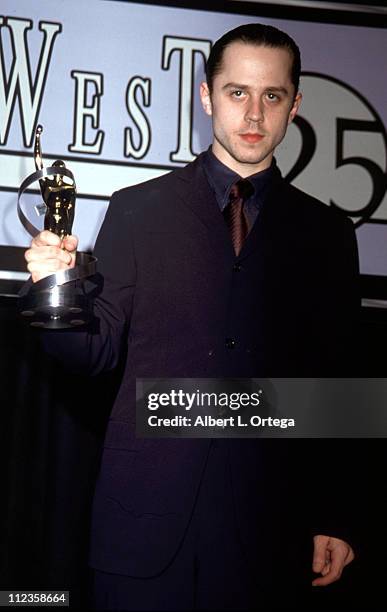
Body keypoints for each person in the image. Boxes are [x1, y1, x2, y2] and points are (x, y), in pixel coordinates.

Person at [24, 23, 359, 611]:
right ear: (206, 96)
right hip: (142, 528)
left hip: (268, 533)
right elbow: (92, 352)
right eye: (236, 93)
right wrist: (56, 289)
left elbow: (337, 384)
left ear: (295, 105)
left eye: (272, 96)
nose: (253, 114)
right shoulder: (138, 210)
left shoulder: (327, 235)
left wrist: (337, 514)